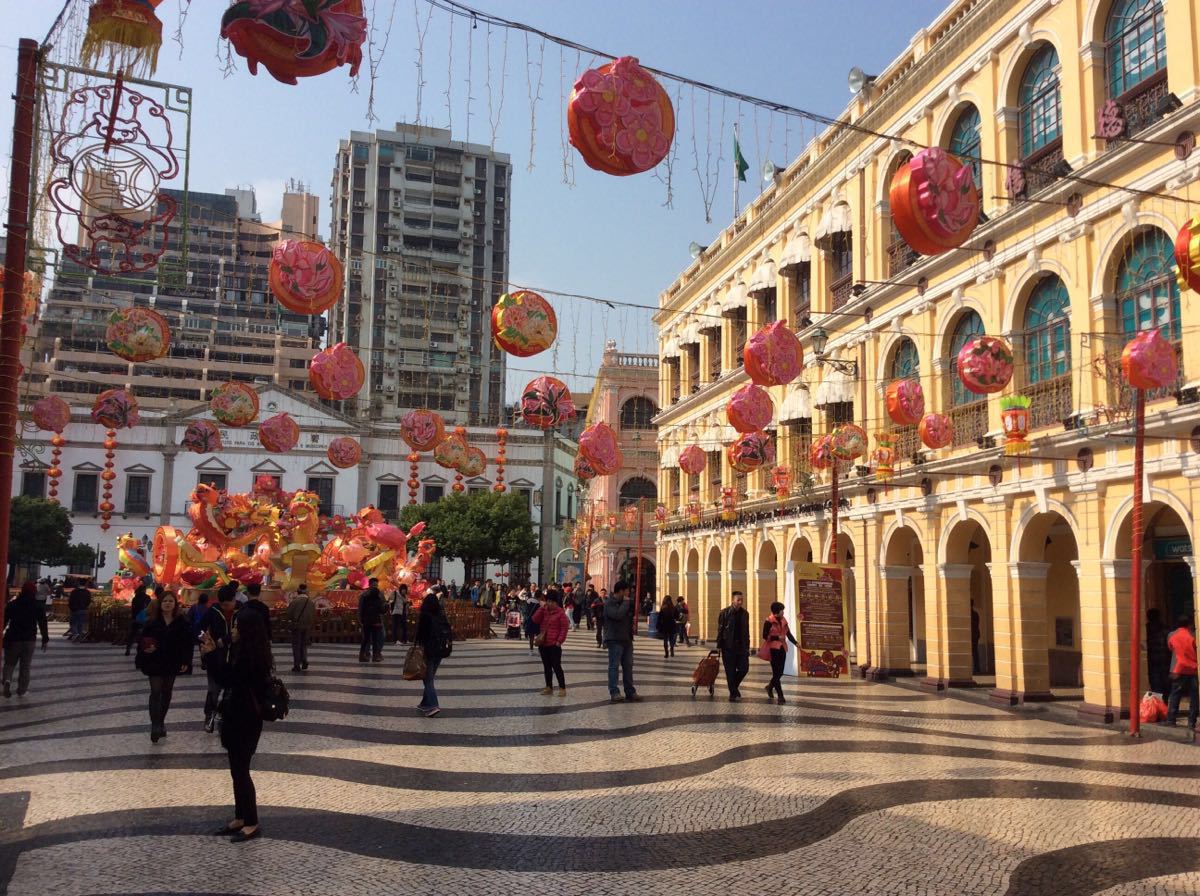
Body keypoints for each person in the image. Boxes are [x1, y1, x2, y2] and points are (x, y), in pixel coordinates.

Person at [200, 608, 272, 842]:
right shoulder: (244, 650)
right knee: (236, 769)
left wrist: (211, 655)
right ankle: (240, 817)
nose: (232, 630)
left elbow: (228, 678)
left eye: (236, 626)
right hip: (236, 714)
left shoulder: (253, 657)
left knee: (241, 770)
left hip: (246, 718)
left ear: (247, 629)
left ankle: (251, 821)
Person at [137, 590, 192, 743]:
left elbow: (187, 644)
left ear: (175, 604)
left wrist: (186, 661)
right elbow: (142, 640)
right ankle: (155, 725)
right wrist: (145, 648)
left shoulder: (182, 622)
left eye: (171, 601)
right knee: (155, 692)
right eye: (165, 601)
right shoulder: (152, 622)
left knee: (167, 691)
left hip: (172, 660)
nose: (168, 604)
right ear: (160, 604)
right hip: (154, 660)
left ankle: (161, 721)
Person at [200, 583, 239, 733]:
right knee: (213, 690)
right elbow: (199, 627)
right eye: (222, 605)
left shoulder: (242, 611)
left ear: (234, 600)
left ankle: (226, 718)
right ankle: (209, 716)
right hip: (215, 658)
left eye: (228, 604)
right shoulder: (213, 611)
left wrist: (227, 639)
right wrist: (205, 639)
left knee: (231, 691)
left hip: (235, 658)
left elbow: (246, 631)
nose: (225, 607)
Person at [2, 582, 48, 698]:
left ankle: (7, 680)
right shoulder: (38, 606)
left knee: (9, 663)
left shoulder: (13, 604)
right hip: (29, 639)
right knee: (25, 666)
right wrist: (45, 638)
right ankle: (22, 690)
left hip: (13, 638)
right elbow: (43, 623)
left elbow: (4, 621)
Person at [603, 580, 641, 703]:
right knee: (614, 666)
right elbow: (617, 615)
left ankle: (630, 691)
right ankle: (614, 692)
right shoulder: (609, 603)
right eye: (627, 591)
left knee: (628, 666)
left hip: (627, 639)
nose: (628, 594)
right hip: (614, 639)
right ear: (620, 591)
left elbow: (627, 617)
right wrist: (625, 603)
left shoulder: (626, 603)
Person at [415, 590, 451, 717]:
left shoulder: (425, 615)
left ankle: (433, 705)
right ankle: (425, 703)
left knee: (428, 679)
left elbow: (421, 635)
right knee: (429, 676)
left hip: (429, 650)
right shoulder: (441, 615)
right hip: (441, 650)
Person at [1165, 613, 1198, 733]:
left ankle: (1171, 719)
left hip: (1178, 669)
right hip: (1194, 669)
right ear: (1189, 624)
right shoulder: (1193, 635)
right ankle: (1191, 721)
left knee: (1175, 694)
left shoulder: (1171, 635)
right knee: (1194, 696)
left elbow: (1170, 648)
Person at [533, 592, 569, 696]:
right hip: (543, 643)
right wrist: (541, 608)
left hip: (554, 644)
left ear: (555, 602)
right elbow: (535, 619)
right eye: (547, 601)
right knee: (546, 666)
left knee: (556, 666)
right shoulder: (544, 611)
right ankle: (549, 686)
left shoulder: (560, 613)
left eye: (551, 602)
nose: (549, 603)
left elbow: (564, 628)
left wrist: (559, 641)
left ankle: (562, 688)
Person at [761, 602, 799, 704]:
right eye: (782, 610)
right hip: (773, 649)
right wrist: (777, 637)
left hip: (782, 648)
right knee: (776, 672)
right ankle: (780, 695)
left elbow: (788, 634)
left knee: (780, 672)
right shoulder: (769, 621)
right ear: (777, 612)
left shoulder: (783, 620)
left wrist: (796, 643)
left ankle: (769, 687)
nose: (783, 612)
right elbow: (764, 636)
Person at [717, 591, 751, 701]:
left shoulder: (745, 614)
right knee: (730, 671)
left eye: (742, 600)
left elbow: (747, 631)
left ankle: (733, 688)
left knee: (744, 669)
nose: (740, 602)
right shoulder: (724, 613)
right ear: (733, 600)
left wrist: (747, 646)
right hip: (728, 646)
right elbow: (720, 630)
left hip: (741, 647)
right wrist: (719, 646)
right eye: (738, 600)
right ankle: (733, 693)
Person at [284, 584, 316, 672]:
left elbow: (289, 614)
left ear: (297, 592)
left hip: (297, 626)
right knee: (304, 644)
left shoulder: (295, 602)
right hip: (307, 626)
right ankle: (304, 660)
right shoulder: (311, 602)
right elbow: (314, 614)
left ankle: (297, 665)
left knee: (296, 645)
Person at [358, 578, 386, 662]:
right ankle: (371, 654)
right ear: (369, 585)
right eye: (374, 585)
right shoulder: (365, 595)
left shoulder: (378, 595)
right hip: (374, 621)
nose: (375, 587)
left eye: (376, 585)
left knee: (372, 638)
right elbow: (361, 608)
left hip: (370, 620)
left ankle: (371, 654)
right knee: (372, 638)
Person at [1147, 607, 1171, 698]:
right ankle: (1164, 705)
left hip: (1152, 662)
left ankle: (1159, 707)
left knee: (1156, 687)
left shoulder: (1146, 629)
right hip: (1165, 662)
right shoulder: (1166, 629)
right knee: (1166, 686)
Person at [126, 584, 152, 657]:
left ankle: (128, 649)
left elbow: (133, 609)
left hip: (135, 619)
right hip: (144, 619)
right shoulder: (147, 598)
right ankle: (140, 651)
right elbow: (149, 609)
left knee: (132, 635)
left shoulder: (135, 598)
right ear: (144, 590)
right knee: (143, 636)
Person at [524, 590, 541, 654]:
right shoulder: (539, 603)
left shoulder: (528, 600)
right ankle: (540, 650)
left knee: (531, 637)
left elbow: (525, 611)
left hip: (530, 620)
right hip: (537, 621)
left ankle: (531, 650)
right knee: (538, 636)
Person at [970, 600, 982, 675]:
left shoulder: (972, 614)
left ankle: (976, 668)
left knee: (974, 652)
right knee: (975, 652)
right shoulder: (975, 614)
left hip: (972, 635)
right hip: (975, 635)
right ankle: (976, 668)